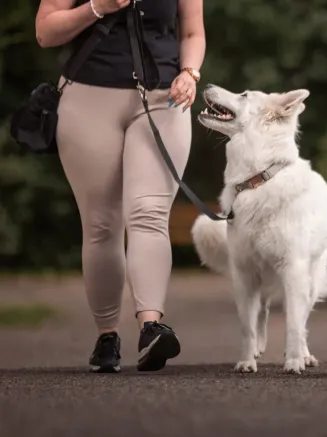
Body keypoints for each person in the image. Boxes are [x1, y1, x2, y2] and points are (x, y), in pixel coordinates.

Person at [35, 0, 205, 373]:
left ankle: (151, 327)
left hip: (165, 98)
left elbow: (192, 32)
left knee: (149, 213)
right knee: (101, 223)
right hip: (88, 97)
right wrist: (97, 7)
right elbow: (45, 32)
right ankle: (107, 335)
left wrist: (189, 74)